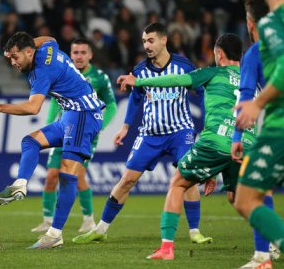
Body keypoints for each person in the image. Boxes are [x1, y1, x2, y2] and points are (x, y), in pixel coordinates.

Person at [117, 33, 256, 260]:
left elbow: (174, 80)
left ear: (219, 54)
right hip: (246, 144)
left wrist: (139, 81)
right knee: (238, 199)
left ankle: (167, 248)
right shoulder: (252, 81)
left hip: (216, 143)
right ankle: (271, 243)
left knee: (178, 183)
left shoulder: (210, 72)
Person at [72, 23, 211, 245]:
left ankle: (195, 231)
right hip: (150, 134)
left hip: (180, 131)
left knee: (188, 178)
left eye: (151, 40)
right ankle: (100, 229)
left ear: (164, 40)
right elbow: (136, 98)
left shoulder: (184, 65)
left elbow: (202, 91)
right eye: (144, 41)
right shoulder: (139, 70)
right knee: (127, 180)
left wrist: (207, 122)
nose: (146, 45)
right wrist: (126, 127)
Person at [0, 32, 104, 249]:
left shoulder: (41, 72)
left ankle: (55, 234)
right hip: (70, 115)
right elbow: (50, 39)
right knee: (30, 141)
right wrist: (24, 46)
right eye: (10, 58)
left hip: (84, 114)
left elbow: (32, 107)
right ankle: (20, 185)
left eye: (15, 57)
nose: (13, 62)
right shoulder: (46, 49)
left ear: (29, 53)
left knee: (66, 174)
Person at [31, 38, 117, 233]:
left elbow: (111, 104)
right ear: (70, 54)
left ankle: (88, 219)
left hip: (84, 131)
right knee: (52, 176)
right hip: (63, 129)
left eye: (82, 52)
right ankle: (47, 220)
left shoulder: (100, 77)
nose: (79, 56)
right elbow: (54, 100)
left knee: (77, 176)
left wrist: (100, 125)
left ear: (90, 55)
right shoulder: (63, 69)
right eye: (75, 52)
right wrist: (50, 123)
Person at [234, 0, 284, 259]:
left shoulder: (271, 26)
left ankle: (263, 257)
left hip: (278, 128)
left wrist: (258, 103)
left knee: (246, 198)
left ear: (250, 23)